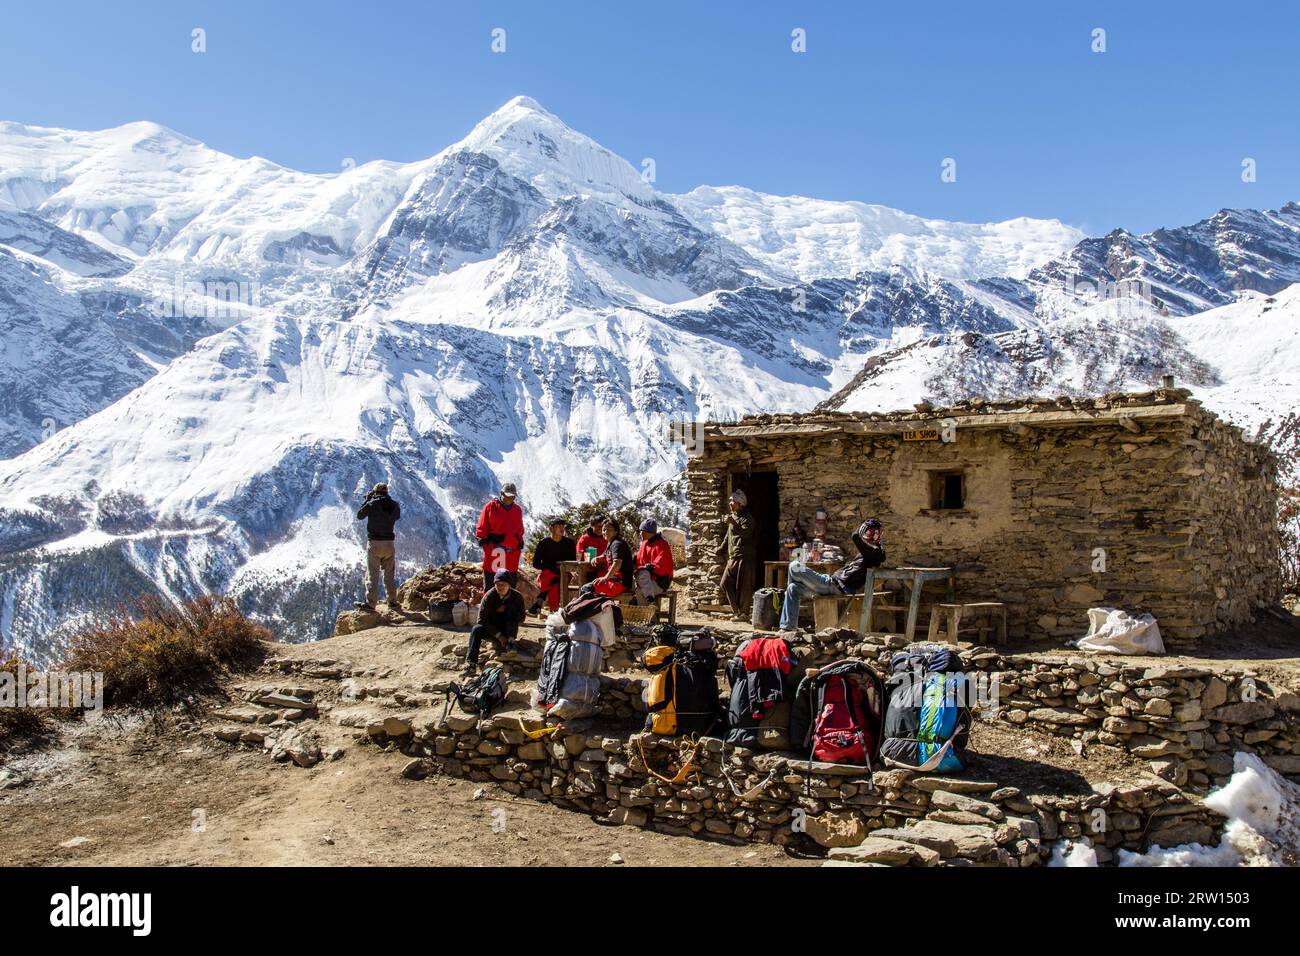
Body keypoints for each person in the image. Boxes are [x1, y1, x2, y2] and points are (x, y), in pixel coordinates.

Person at [778, 519, 885, 632]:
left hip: (833, 586)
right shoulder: (873, 553)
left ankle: (784, 599)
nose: (867, 536)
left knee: (794, 565)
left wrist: (863, 525)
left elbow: (855, 536)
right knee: (793, 588)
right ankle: (788, 628)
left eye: (870, 533)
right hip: (830, 583)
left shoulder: (874, 553)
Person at [463, 569, 525, 675]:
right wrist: (498, 635)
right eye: (498, 584)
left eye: (503, 584)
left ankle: (510, 643)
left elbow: (522, 618)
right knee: (476, 629)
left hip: (508, 628)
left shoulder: (517, 597)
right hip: (493, 629)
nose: (500, 587)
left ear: (509, 585)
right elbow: (481, 619)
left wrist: (506, 609)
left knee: (511, 608)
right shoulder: (489, 596)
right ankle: (471, 663)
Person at [354, 482, 401, 611]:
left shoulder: (372, 503)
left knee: (373, 574)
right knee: (389, 574)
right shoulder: (394, 505)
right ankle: (392, 601)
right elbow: (397, 516)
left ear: (375, 492)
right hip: (389, 544)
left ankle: (370, 603)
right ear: (387, 492)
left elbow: (360, 515)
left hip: (374, 543)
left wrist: (368, 500)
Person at [475, 482, 525, 593]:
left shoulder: (517, 510)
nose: (509, 498)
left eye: (512, 496)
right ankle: (489, 608)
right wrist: (485, 542)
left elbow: (519, 529)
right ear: (501, 493)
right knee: (491, 583)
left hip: (512, 553)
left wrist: (520, 542)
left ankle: (509, 609)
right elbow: (481, 528)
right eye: (506, 495)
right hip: (494, 551)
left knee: (510, 583)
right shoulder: (490, 507)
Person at [718, 489, 756, 619]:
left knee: (744, 585)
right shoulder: (733, 517)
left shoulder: (747, 518)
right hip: (733, 556)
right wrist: (721, 547)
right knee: (725, 583)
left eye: (733, 501)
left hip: (745, 556)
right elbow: (728, 536)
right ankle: (736, 611)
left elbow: (746, 534)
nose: (730, 504)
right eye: (730, 501)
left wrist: (733, 523)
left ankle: (744, 613)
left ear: (741, 503)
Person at [531, 517, 576, 614]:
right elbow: (536, 563)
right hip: (548, 574)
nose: (562, 528)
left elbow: (572, 562)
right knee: (554, 581)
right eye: (558, 526)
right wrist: (551, 568)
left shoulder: (569, 543)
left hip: (564, 573)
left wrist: (560, 569)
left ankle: (540, 601)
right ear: (551, 528)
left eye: (563, 526)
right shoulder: (544, 543)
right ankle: (554, 610)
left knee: (552, 577)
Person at [586, 517, 634, 598]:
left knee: (587, 589)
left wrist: (605, 578)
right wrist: (596, 558)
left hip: (619, 583)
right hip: (615, 581)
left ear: (616, 531)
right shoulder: (611, 543)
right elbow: (605, 556)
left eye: (609, 529)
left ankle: (592, 610)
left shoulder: (617, 544)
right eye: (604, 530)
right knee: (589, 587)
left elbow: (617, 563)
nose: (606, 532)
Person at [633, 519, 675, 606]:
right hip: (645, 580)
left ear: (649, 532)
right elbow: (639, 562)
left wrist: (650, 568)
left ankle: (648, 617)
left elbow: (664, 568)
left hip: (659, 582)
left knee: (640, 591)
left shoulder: (662, 545)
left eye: (642, 531)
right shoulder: (644, 543)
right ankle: (651, 617)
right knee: (637, 586)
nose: (640, 533)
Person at [575, 514, 608, 582]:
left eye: (602, 527)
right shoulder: (585, 538)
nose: (600, 529)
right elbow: (579, 553)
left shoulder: (607, 538)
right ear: (592, 525)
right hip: (589, 571)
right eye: (598, 526)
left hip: (606, 570)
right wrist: (577, 567)